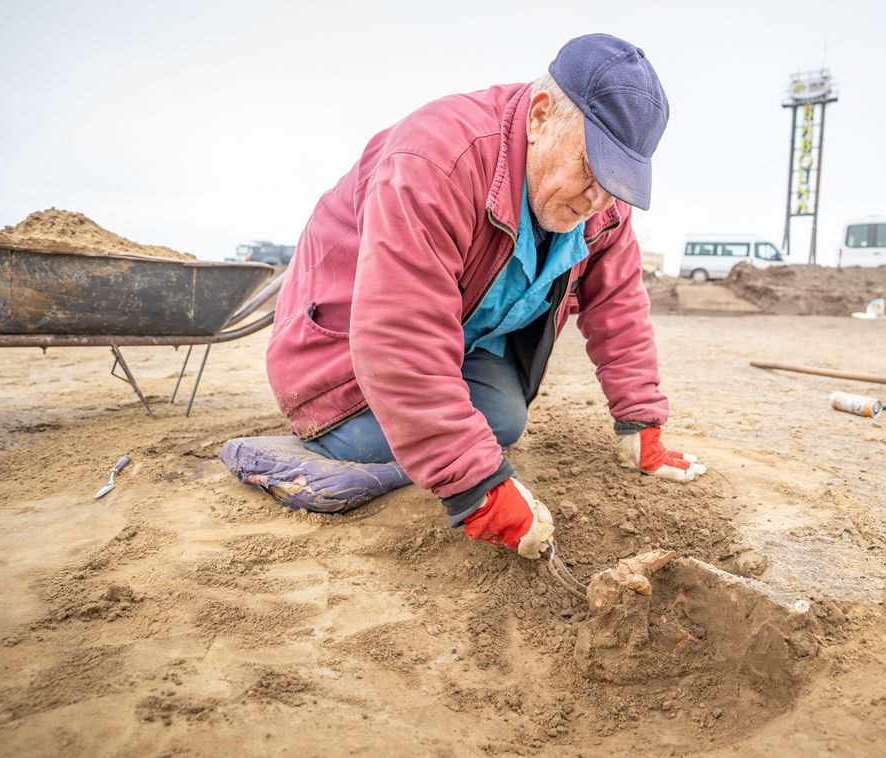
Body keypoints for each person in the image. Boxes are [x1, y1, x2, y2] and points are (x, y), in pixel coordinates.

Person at [260, 33, 705, 560]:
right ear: (540, 117)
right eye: (591, 167)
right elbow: (399, 332)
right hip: (339, 342)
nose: (599, 199)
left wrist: (640, 421)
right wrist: (478, 486)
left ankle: (433, 438)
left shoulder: (603, 202)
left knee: (503, 426)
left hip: (461, 337)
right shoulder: (438, 158)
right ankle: (287, 451)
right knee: (380, 443)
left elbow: (620, 303)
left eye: (618, 180)